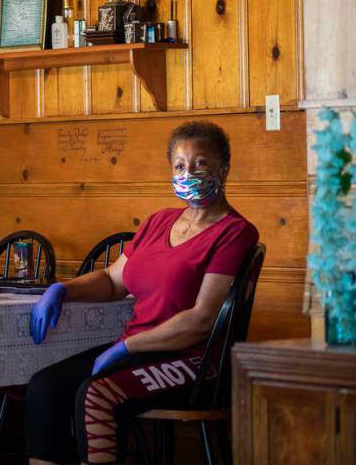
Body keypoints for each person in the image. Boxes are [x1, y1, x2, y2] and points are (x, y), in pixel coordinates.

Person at [26, 121, 259, 465]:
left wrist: (124, 346)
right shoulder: (158, 222)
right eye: (180, 166)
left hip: (194, 360)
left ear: (223, 169)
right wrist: (63, 289)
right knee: (46, 386)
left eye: (200, 164)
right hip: (138, 351)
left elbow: (201, 320)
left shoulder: (235, 232)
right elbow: (112, 280)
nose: (188, 172)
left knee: (96, 394)